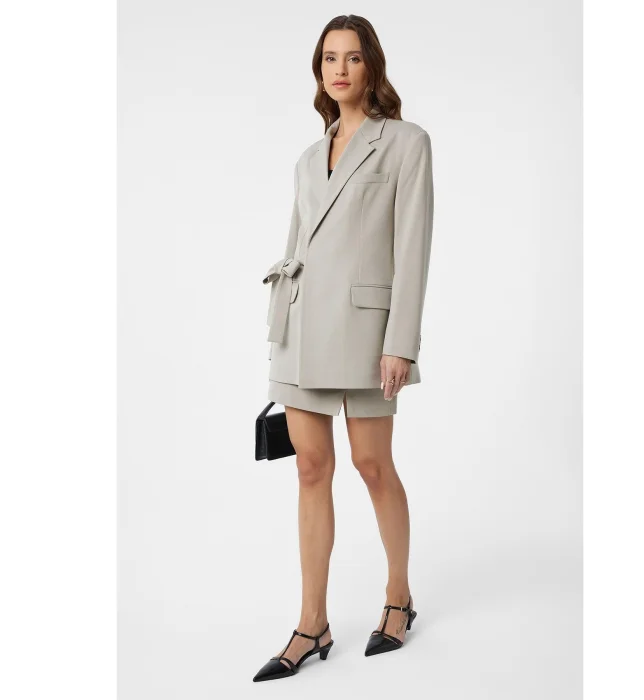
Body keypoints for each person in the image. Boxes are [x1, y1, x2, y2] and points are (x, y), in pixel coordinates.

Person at [254, 14, 433, 682]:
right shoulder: (308, 157)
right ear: (319, 69)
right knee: (309, 469)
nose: (340, 69)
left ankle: (398, 597)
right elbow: (295, 249)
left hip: (366, 331)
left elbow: (413, 248)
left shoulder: (406, 143)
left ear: (371, 66)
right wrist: (278, 332)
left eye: (353, 57)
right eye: (329, 58)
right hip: (301, 333)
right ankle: (312, 623)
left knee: (372, 464)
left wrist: (401, 343)